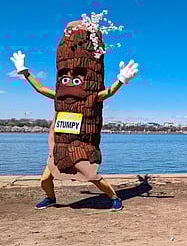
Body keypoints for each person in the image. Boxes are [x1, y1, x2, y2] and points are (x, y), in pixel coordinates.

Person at [10, 17, 138, 211]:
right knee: (45, 179)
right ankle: (51, 198)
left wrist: (121, 80)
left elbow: (107, 93)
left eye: (76, 80)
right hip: (60, 145)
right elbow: (42, 89)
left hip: (82, 145)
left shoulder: (90, 98)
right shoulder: (59, 98)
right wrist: (24, 72)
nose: (69, 82)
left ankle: (114, 198)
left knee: (93, 176)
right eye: (64, 79)